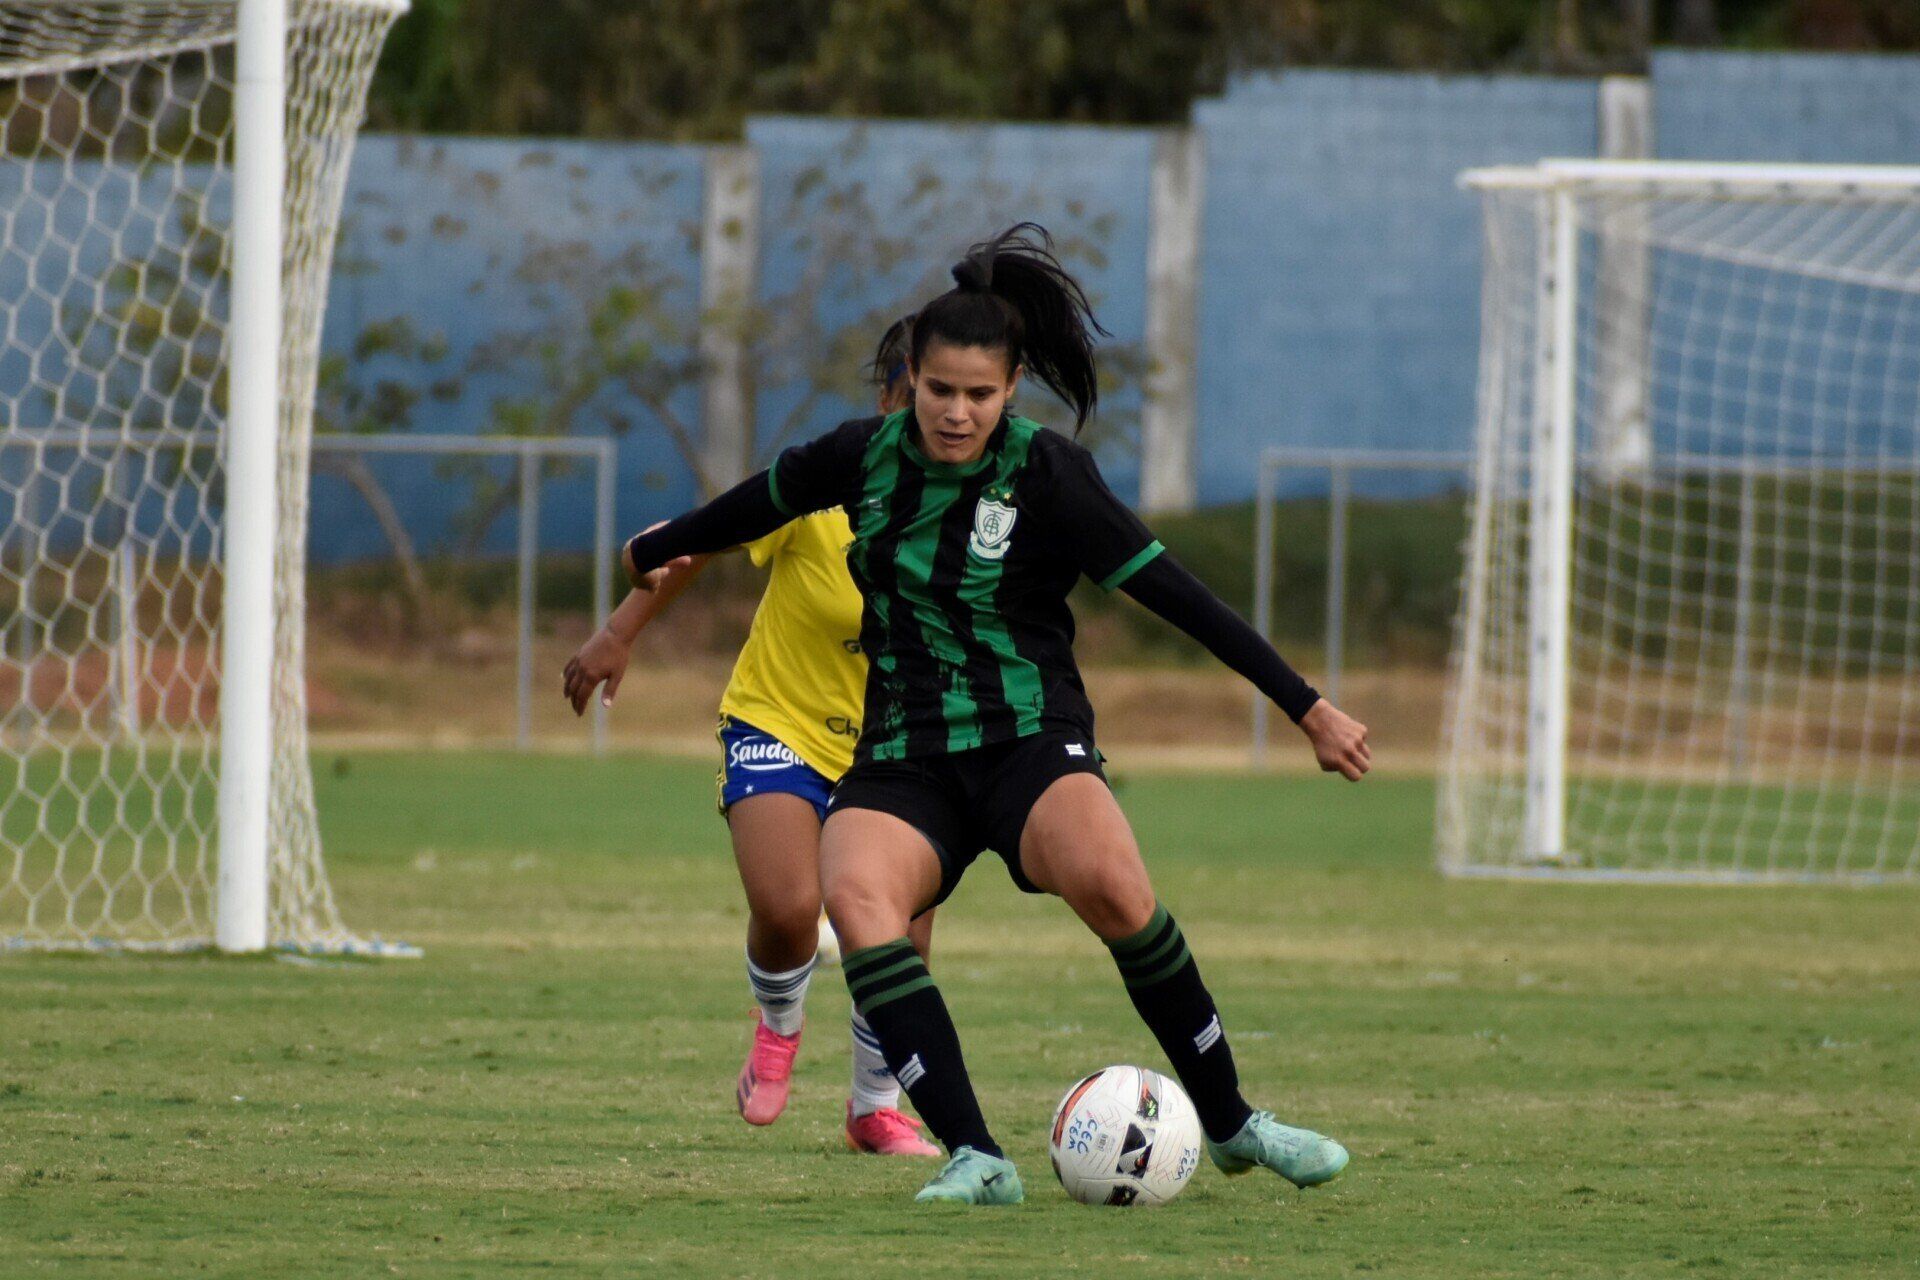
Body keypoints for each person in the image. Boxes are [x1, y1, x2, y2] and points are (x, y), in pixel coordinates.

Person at [618, 224, 1372, 1206]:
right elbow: (746, 509)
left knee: (1114, 884)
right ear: (912, 379)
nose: (958, 412)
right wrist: (657, 546)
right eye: (940, 391)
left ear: (1011, 386)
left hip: (1028, 739)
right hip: (902, 755)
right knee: (859, 902)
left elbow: (1182, 597)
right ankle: (977, 1154)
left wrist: (1306, 706)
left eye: (980, 395)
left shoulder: (1049, 474)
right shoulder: (857, 457)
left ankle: (1231, 1121)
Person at [562, 317, 940, 1158]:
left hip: (897, 747)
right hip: (781, 719)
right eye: (919, 401)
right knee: (789, 905)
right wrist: (620, 629)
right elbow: (700, 544)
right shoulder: (827, 486)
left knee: (901, 933)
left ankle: (874, 1107)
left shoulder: (971, 516)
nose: (939, 423)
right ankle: (777, 1030)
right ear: (887, 399)